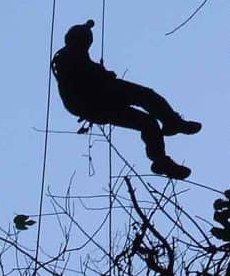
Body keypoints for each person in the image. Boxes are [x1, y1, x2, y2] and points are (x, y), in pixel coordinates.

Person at [50, 19, 201, 179]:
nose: (87, 45)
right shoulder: (68, 57)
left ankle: (161, 159)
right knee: (146, 97)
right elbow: (85, 75)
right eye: (86, 41)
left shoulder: (70, 57)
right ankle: (172, 125)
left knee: (148, 122)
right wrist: (104, 75)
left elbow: (86, 73)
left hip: (97, 104)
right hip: (98, 98)